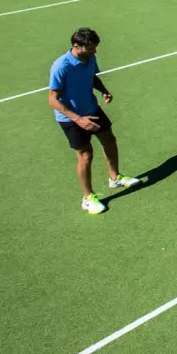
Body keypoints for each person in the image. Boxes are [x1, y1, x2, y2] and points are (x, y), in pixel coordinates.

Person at [49, 28, 140, 214]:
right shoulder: (61, 66)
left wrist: (103, 90)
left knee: (109, 140)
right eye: (91, 48)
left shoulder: (89, 58)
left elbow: (91, 77)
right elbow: (52, 99)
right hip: (71, 118)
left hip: (91, 108)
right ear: (76, 46)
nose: (95, 51)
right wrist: (78, 119)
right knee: (85, 155)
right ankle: (87, 197)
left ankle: (115, 178)